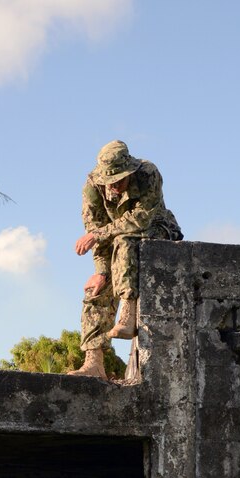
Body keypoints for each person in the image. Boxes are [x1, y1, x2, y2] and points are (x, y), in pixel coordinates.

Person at [68, 140, 183, 378]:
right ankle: (94, 361)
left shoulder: (148, 173)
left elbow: (141, 218)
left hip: (157, 229)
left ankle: (128, 312)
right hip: (117, 244)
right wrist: (101, 271)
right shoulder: (92, 187)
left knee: (124, 240)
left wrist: (98, 235)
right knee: (95, 290)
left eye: (120, 180)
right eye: (110, 182)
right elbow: (96, 230)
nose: (115, 186)